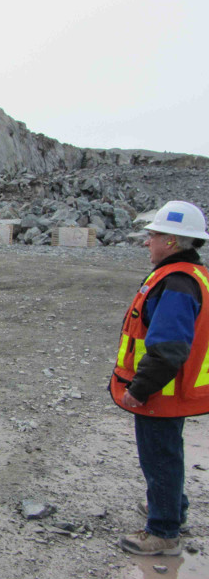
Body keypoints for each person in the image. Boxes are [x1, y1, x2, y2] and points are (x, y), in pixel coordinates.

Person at [109, 200, 209, 556]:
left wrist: (140, 389)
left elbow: (169, 348)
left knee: (160, 458)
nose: (146, 242)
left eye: (152, 235)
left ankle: (164, 531)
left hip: (161, 393)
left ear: (171, 241)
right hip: (173, 390)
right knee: (167, 451)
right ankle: (172, 509)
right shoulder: (191, 275)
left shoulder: (177, 283)